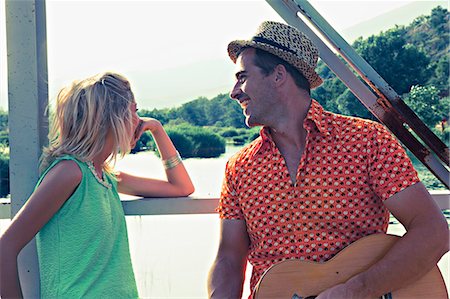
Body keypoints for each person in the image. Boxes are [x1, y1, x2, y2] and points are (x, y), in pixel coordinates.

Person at [207, 21, 449, 299]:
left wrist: (356, 290)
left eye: (242, 77)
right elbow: (228, 258)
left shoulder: (367, 141)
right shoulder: (239, 167)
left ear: (278, 75)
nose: (234, 92)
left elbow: (433, 232)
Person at [0, 72, 194, 298]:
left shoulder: (106, 178)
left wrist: (157, 129)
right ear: (115, 117)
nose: (139, 121)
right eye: (135, 111)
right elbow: (5, 247)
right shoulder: (68, 172)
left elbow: (182, 187)